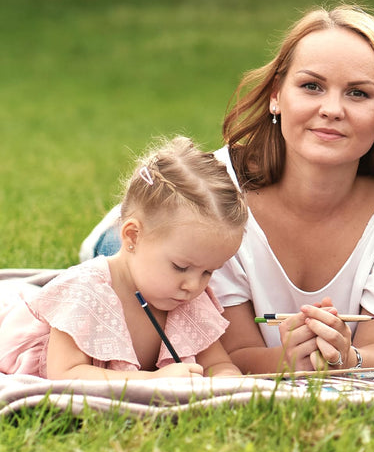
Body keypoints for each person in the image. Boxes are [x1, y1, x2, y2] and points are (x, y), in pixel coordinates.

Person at [82, 5, 374, 375]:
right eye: (311, 86)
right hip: (153, 239)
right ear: (276, 96)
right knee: (135, 275)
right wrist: (285, 360)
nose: (332, 109)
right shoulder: (216, 201)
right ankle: (107, 232)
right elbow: (228, 355)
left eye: (358, 93)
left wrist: (347, 360)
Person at [1, 137, 245, 379]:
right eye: (180, 267)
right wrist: (153, 380)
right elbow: (66, 374)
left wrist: (226, 379)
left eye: (208, 272)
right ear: (132, 236)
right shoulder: (87, 291)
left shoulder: (189, 301)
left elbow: (218, 363)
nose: (194, 285)